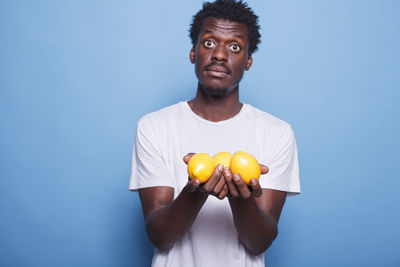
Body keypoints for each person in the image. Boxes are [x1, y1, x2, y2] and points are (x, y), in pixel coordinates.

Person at [129, 0, 300, 266]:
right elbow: (160, 236)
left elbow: (258, 242)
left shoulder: (276, 133)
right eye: (209, 42)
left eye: (234, 47)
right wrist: (194, 192)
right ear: (193, 53)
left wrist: (240, 197)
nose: (220, 54)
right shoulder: (154, 127)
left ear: (248, 61)